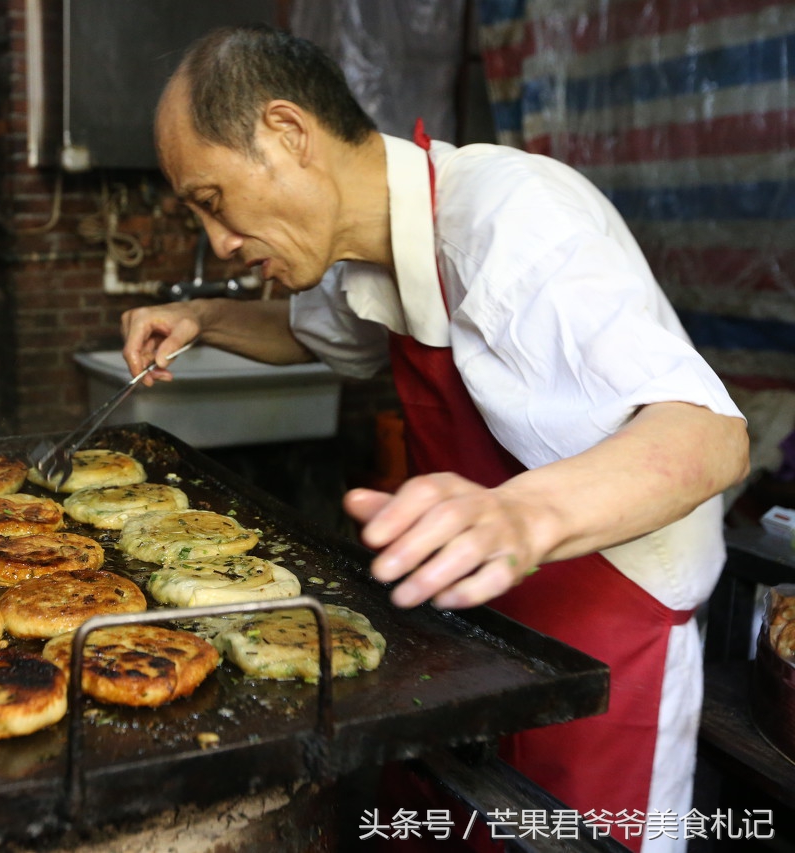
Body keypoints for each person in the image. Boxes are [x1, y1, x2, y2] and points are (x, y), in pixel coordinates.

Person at [121, 23, 750, 853]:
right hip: (476, 615)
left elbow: (709, 435)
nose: (220, 242)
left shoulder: (514, 216)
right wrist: (202, 317)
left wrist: (519, 514)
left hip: (605, 629)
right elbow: (312, 335)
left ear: (287, 133)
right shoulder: (363, 246)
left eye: (213, 201)